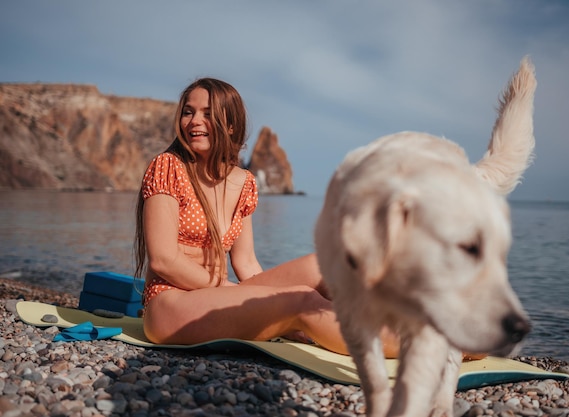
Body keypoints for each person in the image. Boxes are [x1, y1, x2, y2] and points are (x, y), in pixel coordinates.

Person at [133, 77, 397, 357]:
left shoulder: (244, 182)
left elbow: (245, 261)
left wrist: (258, 299)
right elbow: (163, 259)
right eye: (189, 112)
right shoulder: (168, 167)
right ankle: (404, 346)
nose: (195, 121)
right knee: (300, 300)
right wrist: (233, 291)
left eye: (208, 114)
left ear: (230, 125)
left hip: (219, 294)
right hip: (171, 305)